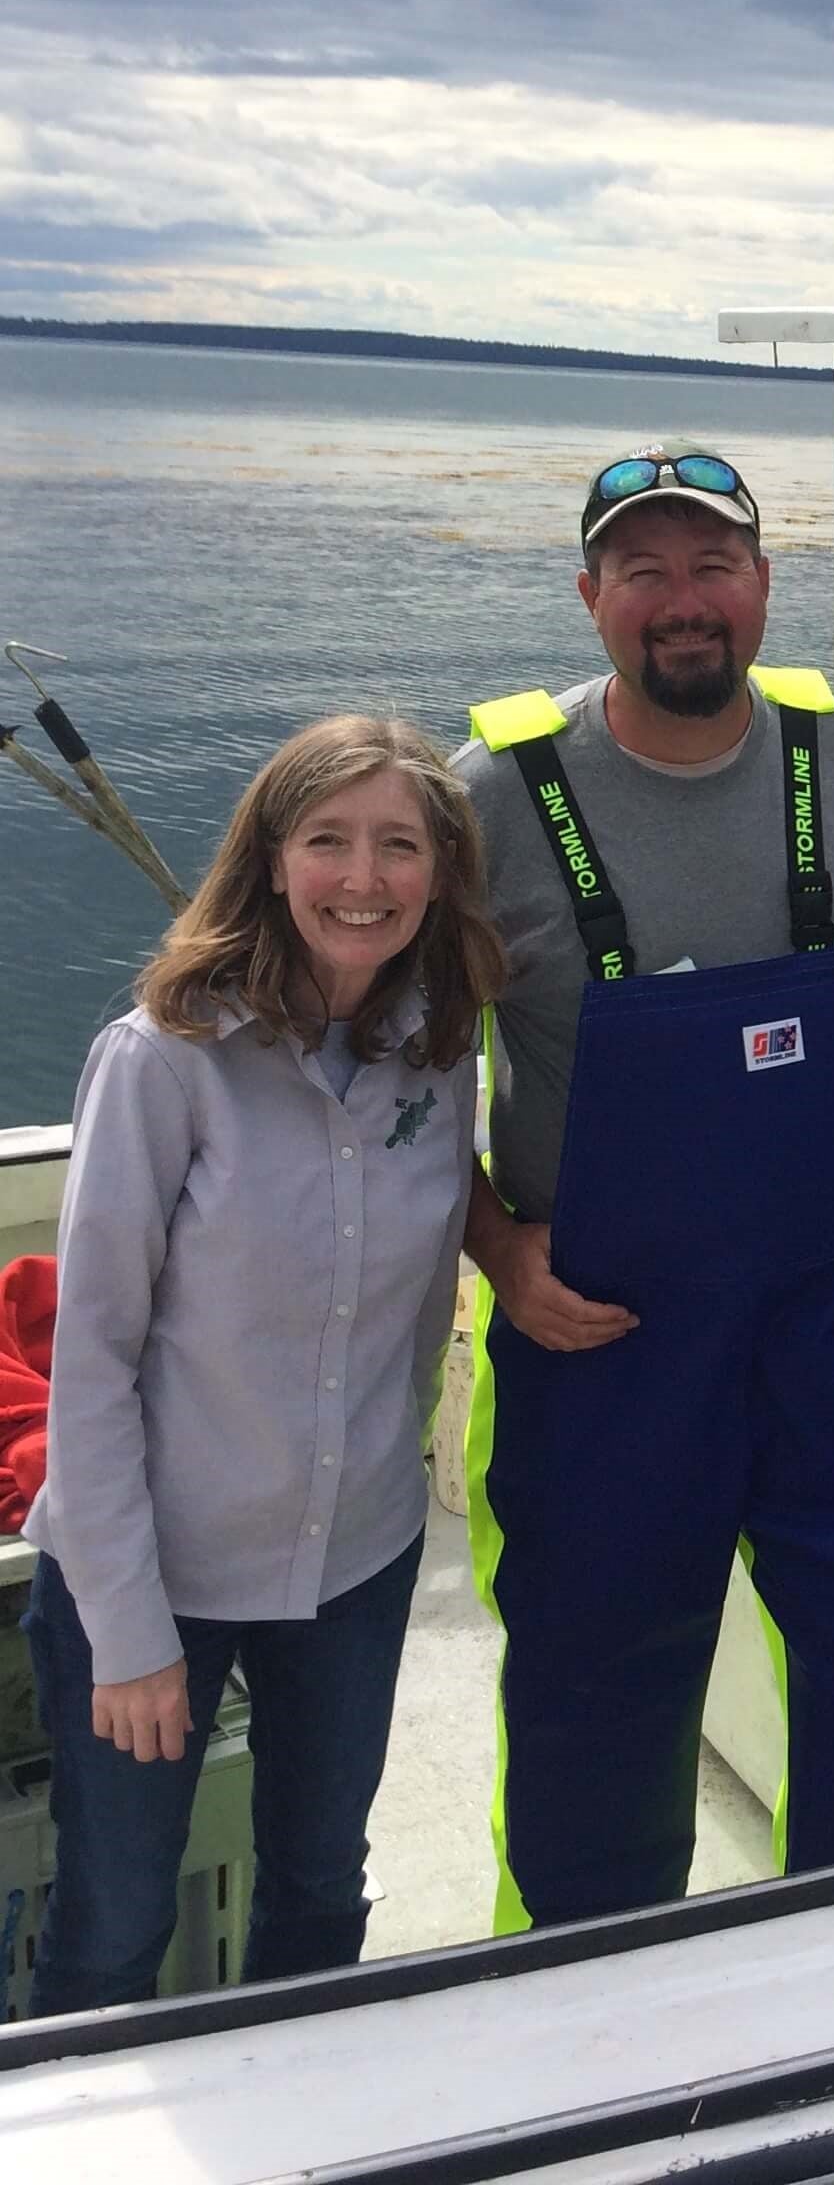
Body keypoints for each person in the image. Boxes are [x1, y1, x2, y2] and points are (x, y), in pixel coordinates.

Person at [452, 440, 834, 1929]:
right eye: (647, 570)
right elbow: (394, 1089)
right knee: (599, 1678)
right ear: (593, 595)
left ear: (763, 586)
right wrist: (497, 1253)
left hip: (830, 1318)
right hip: (598, 1332)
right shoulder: (486, 795)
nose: (686, 599)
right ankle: (590, 1997)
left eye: (713, 564)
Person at [24, 717, 502, 2011]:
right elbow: (95, 1364)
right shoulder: (163, 1060)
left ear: (439, 871)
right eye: (329, 842)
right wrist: (125, 1639)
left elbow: (419, 1295)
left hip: (353, 1562)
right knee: (115, 1924)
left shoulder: (439, 1052)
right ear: (271, 859)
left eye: (399, 845)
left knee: (318, 1886)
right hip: (155, 1575)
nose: (364, 878)